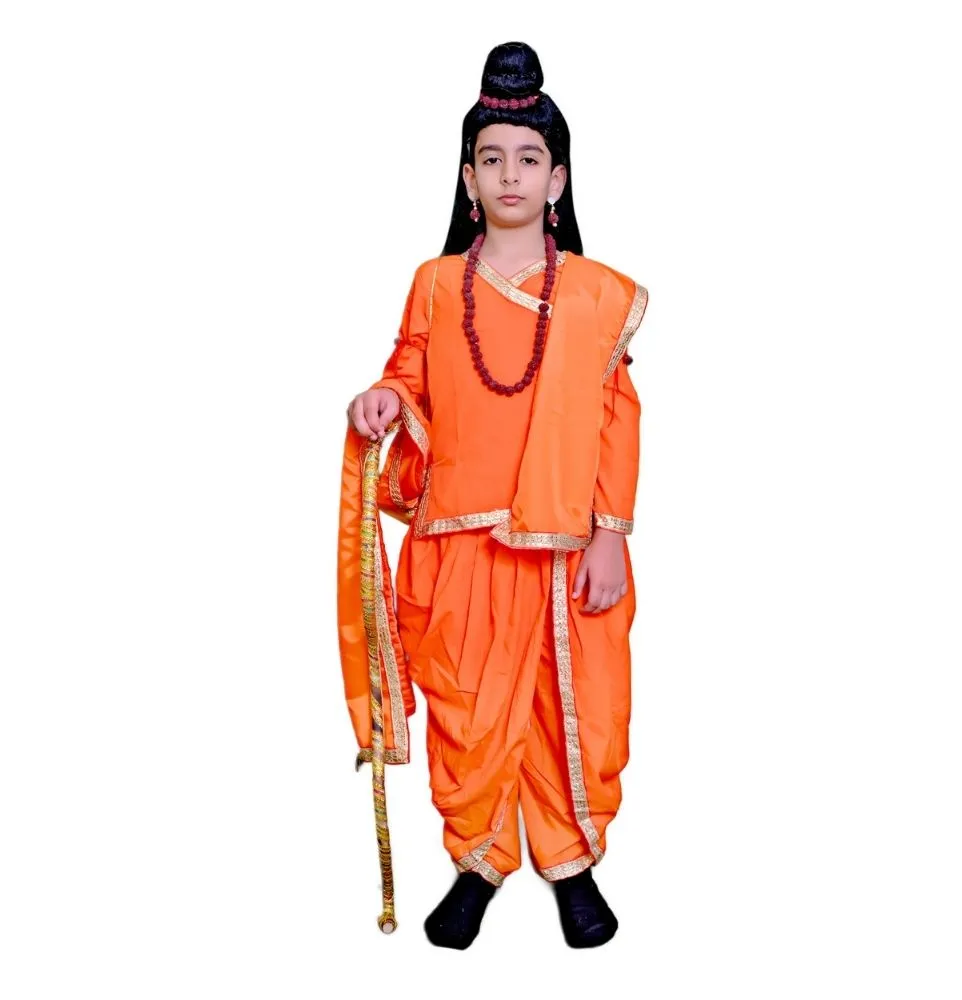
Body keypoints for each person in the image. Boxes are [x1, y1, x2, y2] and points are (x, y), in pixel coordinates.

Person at [337, 41, 646, 950]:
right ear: (468, 179)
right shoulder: (437, 287)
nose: (511, 174)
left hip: (565, 540)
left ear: (558, 181)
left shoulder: (594, 295)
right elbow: (410, 373)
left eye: (529, 158)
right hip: (461, 541)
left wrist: (611, 533)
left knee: (573, 705)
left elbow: (617, 415)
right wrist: (384, 398)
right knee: (469, 707)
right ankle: (476, 860)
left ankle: (571, 862)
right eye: (492, 158)